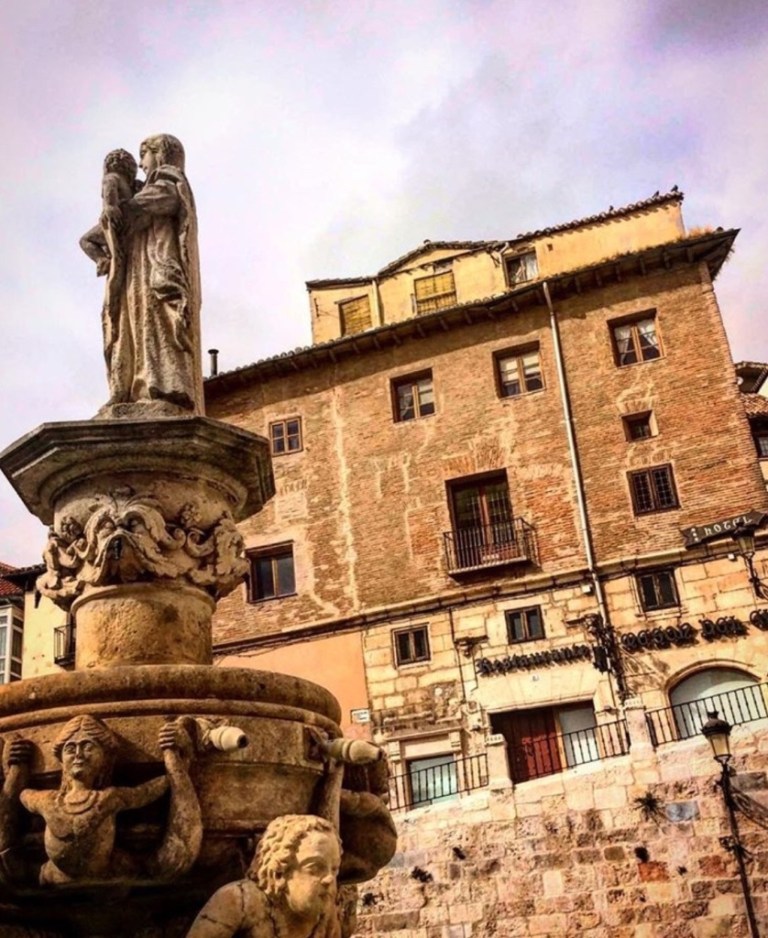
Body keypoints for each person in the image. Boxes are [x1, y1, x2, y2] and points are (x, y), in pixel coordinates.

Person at [80, 134, 204, 416]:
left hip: (155, 275)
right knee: (132, 329)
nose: (140, 165)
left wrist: (117, 205)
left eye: (144, 155)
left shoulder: (169, 183)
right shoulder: (149, 189)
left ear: (159, 154)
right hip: (136, 275)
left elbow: (145, 206)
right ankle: (129, 388)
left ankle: (162, 387)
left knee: (156, 325)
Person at [19, 715, 200, 884]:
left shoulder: (109, 798)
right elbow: (23, 795)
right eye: (70, 749)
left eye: (88, 746)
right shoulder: (48, 800)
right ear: (61, 761)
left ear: (105, 758)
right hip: (53, 875)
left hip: (108, 873)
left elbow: (146, 792)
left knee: (159, 868)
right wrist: (15, 772)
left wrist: (178, 762)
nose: (78, 754)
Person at [186, 815, 343, 938]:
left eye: (334, 869)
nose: (329, 878)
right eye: (314, 868)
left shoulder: (324, 914)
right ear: (280, 872)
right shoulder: (239, 901)